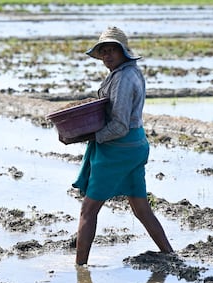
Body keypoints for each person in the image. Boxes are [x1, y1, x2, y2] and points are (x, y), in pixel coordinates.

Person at [72, 26, 173, 265]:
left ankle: (79, 269)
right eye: (103, 51)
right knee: (141, 208)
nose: (107, 56)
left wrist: (89, 136)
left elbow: (119, 126)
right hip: (136, 145)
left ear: (123, 52)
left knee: (88, 210)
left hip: (119, 150)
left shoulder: (123, 78)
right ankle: (170, 254)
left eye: (112, 51)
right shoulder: (129, 72)